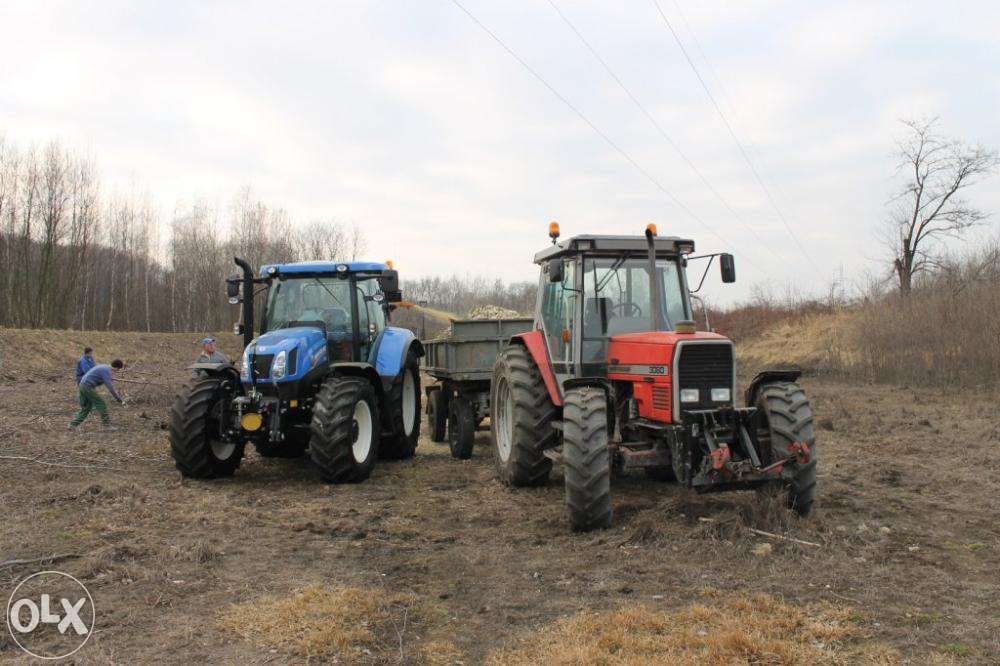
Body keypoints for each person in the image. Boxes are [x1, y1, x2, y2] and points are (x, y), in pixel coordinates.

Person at [69, 359, 125, 430]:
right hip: (87, 387)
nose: (117, 371)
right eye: (118, 370)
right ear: (117, 368)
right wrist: (118, 398)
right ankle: (107, 425)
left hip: (82, 385)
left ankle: (72, 425)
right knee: (101, 404)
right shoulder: (106, 371)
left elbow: (99, 379)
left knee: (87, 408)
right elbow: (110, 387)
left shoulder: (104, 367)